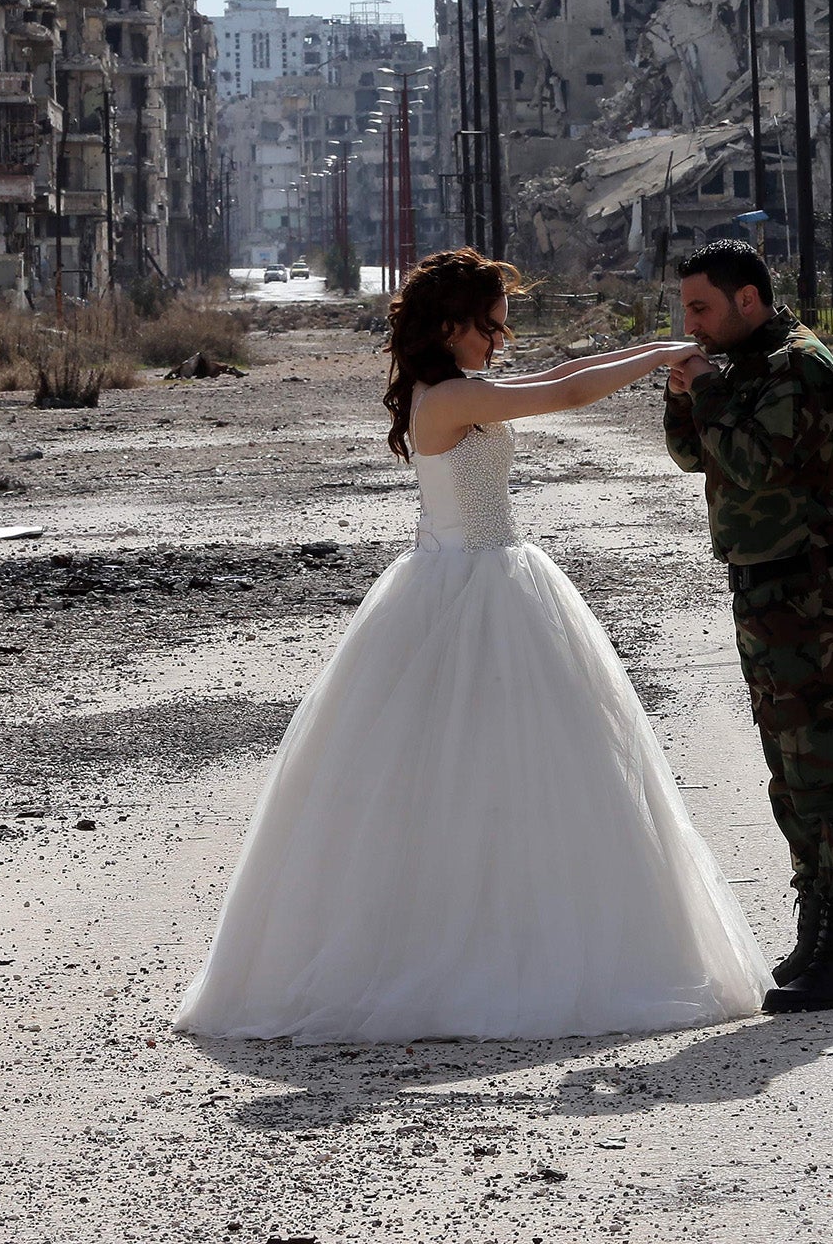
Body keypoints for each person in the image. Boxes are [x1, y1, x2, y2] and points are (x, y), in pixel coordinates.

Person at [175, 248, 768, 1044]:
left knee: (498, 772)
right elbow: (562, 391)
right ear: (453, 325)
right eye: (491, 323)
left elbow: (569, 369)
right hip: (472, 584)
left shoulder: (456, 391)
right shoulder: (448, 398)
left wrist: (658, 350)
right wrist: (664, 354)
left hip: (477, 580)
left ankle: (498, 930)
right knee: (465, 773)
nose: (501, 336)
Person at [664, 240, 833, 1014]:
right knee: (791, 775)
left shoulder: (797, 365)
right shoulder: (739, 367)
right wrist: (682, 394)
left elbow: (760, 464)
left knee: (832, 773)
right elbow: (696, 456)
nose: (688, 323)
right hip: (762, 590)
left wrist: (711, 394)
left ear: (747, 299)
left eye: (700, 308)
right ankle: (816, 937)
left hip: (812, 590)